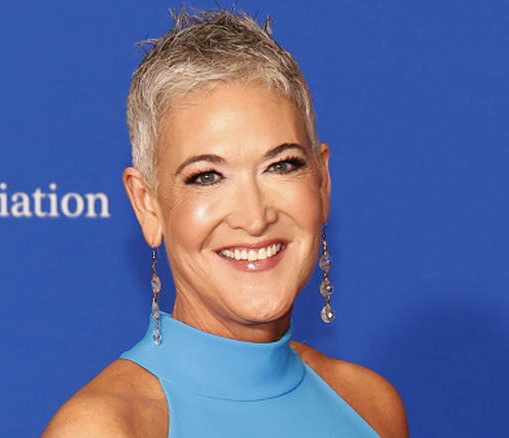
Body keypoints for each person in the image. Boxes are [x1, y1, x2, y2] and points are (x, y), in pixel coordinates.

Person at [42, 7, 408, 438]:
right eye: (206, 177)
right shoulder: (107, 428)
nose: (255, 217)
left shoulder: (370, 405)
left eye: (282, 165)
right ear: (147, 206)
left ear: (323, 181)